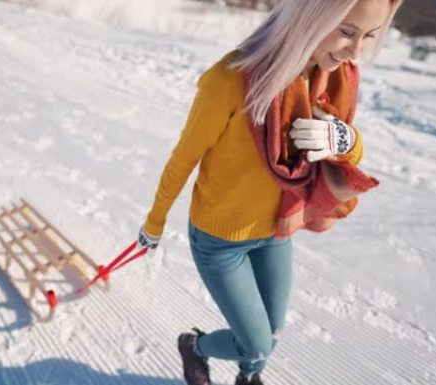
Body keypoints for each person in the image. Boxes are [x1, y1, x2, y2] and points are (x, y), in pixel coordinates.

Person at [137, 0, 403, 384]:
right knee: (257, 343)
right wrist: (154, 222)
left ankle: (247, 378)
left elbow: (342, 154)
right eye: (347, 32)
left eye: (370, 36)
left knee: (271, 335)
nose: (356, 51)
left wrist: (345, 139)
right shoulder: (230, 80)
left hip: (277, 230)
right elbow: (183, 159)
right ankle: (194, 347)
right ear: (311, 17)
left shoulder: (333, 78)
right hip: (222, 239)